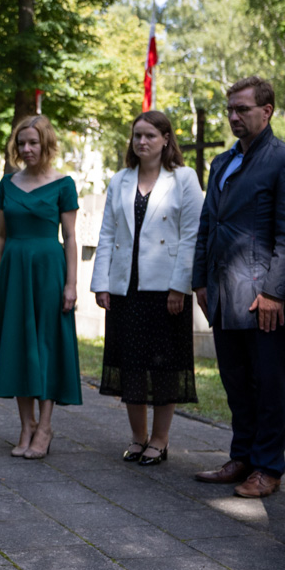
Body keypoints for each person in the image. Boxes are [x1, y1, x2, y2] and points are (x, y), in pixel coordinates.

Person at [192, 76, 285, 499]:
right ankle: (241, 457)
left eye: (242, 109)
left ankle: (268, 467)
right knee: (236, 383)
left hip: (264, 296)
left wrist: (275, 292)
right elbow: (208, 224)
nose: (234, 116)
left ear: (267, 111)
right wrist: (199, 281)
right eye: (230, 109)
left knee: (269, 386)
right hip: (223, 294)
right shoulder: (221, 162)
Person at [90, 110, 202, 466]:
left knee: (164, 364)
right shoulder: (120, 180)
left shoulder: (183, 178)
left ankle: (160, 439)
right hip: (125, 287)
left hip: (166, 289)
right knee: (131, 363)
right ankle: (138, 438)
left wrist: (179, 287)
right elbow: (107, 234)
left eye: (150, 135)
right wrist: (102, 283)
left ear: (166, 139)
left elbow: (191, 235)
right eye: (137, 135)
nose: (142, 141)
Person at [0, 115, 82, 458]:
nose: (26, 149)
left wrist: (71, 285)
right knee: (18, 345)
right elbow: (0, 236)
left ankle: (45, 427)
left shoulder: (64, 184)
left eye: (33, 142)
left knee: (46, 345)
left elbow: (71, 238)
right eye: (21, 143)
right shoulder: (7, 184)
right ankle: (26, 426)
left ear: (46, 144)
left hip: (48, 272)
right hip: (14, 272)